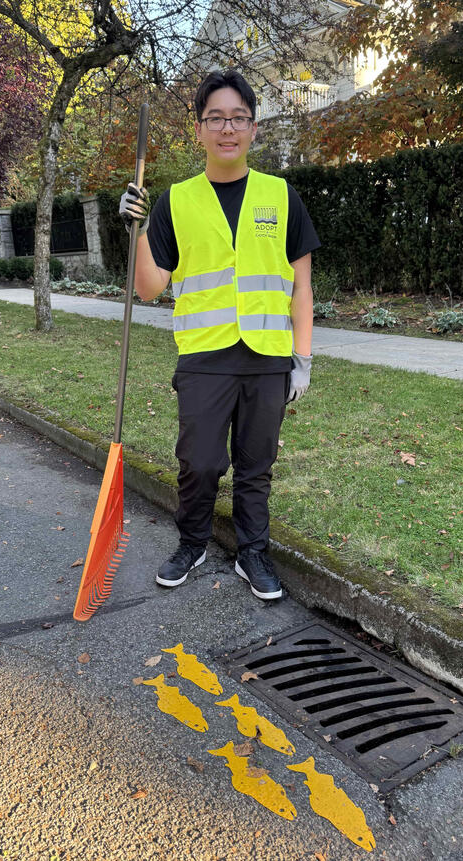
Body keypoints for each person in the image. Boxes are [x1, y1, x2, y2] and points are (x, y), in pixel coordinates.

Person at [119, 69, 320, 600]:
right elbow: (149, 289)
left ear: (253, 128)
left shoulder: (281, 196)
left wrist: (302, 358)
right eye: (215, 119)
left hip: (267, 357)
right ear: (199, 129)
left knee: (256, 466)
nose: (227, 129)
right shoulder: (176, 201)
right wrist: (137, 231)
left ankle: (253, 553)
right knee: (200, 462)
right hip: (204, 358)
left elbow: (301, 287)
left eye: (238, 118)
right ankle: (193, 542)